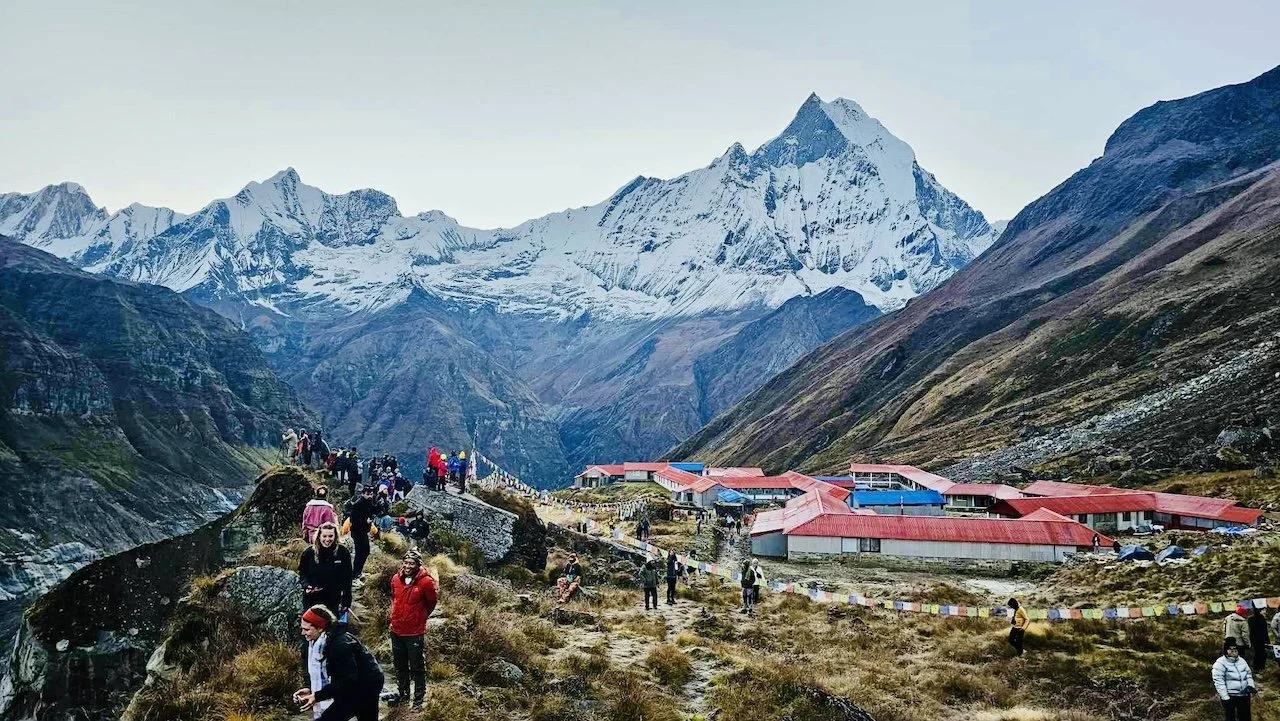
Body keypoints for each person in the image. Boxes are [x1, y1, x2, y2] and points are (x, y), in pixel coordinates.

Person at [295, 605, 385, 721]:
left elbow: (348, 681)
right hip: (356, 682)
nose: (303, 633)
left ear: (320, 628)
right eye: (302, 628)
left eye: (307, 629)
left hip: (366, 685)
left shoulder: (340, 645)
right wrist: (310, 689)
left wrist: (317, 696)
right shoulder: (317, 643)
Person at [387, 549, 438, 710]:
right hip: (396, 629)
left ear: (418, 565)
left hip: (414, 632)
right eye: (406, 563)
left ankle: (418, 701)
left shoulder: (426, 582)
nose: (408, 566)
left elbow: (431, 603)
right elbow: (394, 597)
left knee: (417, 667)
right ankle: (403, 696)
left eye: (412, 563)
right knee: (400, 665)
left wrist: (420, 617)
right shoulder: (396, 579)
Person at [298, 523, 353, 617]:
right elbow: (302, 573)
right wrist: (307, 585)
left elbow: (347, 579)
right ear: (319, 536)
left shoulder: (343, 553)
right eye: (324, 536)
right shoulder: (309, 553)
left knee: (331, 627)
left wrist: (346, 603)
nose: (327, 539)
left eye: (330, 536)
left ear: (335, 536)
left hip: (333, 599)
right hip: (312, 599)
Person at [1213, 639, 1257, 721]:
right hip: (1231, 696)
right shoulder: (1220, 663)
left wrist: (1250, 686)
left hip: (1244, 695)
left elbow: (1248, 674)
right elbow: (1219, 681)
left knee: (1245, 717)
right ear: (1226, 651)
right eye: (1231, 650)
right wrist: (1225, 696)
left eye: (1235, 650)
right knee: (1230, 717)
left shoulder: (1242, 661)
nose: (1234, 652)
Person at [346, 486, 377, 578]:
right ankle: (355, 573)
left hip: (364, 531)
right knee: (361, 552)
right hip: (357, 531)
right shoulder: (358, 504)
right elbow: (353, 520)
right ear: (363, 494)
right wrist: (365, 522)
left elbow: (373, 510)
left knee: (365, 551)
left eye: (371, 494)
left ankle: (358, 571)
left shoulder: (369, 503)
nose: (369, 496)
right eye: (367, 494)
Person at [1249, 607, 1270, 672]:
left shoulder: (1250, 619)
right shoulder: (1262, 619)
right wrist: (1267, 640)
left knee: (1255, 653)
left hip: (1253, 639)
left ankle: (1255, 668)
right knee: (1261, 653)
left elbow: (1249, 630)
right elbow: (1265, 631)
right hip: (1261, 639)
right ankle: (1261, 667)